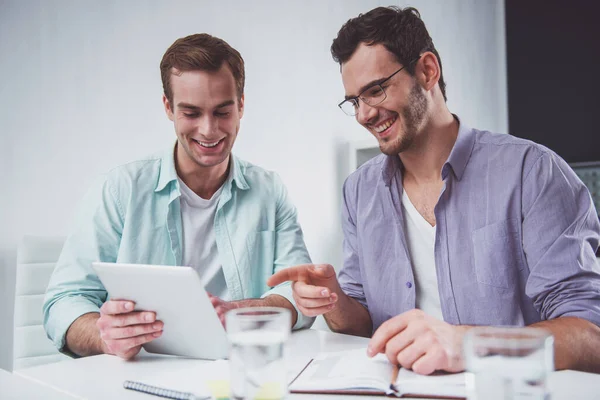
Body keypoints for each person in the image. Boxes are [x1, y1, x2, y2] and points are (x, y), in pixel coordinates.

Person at [268, 6, 600, 374]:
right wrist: (333, 300)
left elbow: (588, 335)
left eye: (375, 91)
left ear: (427, 70)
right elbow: (363, 324)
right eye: (354, 101)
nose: (363, 114)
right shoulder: (359, 191)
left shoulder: (532, 172)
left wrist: (468, 346)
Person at [43, 33, 313, 360]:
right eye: (191, 113)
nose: (209, 130)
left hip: (242, 369)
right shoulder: (119, 190)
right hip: (147, 373)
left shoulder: (269, 191)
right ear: (168, 107)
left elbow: (300, 295)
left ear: (241, 105)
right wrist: (104, 336)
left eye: (223, 112)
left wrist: (240, 311)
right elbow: (64, 302)